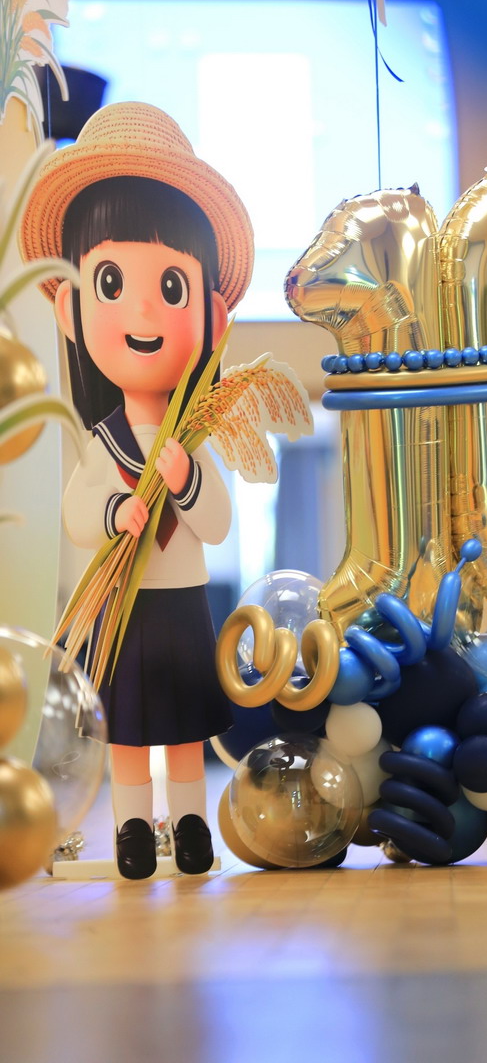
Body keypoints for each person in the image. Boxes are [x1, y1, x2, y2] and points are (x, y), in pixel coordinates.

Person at [20, 102, 254, 879]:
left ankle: (189, 826)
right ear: (71, 306)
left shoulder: (196, 440)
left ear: (211, 316)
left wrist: (187, 483)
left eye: (172, 287)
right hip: (119, 611)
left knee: (183, 728)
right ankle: (130, 831)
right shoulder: (102, 443)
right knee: (125, 732)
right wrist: (113, 509)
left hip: (183, 602)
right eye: (112, 282)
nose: (144, 311)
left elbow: (216, 523)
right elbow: (77, 514)